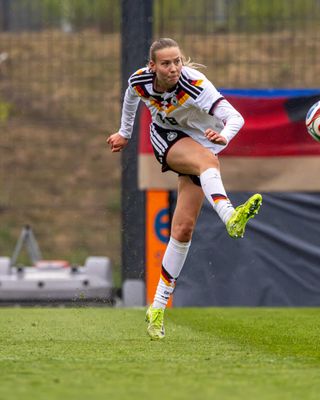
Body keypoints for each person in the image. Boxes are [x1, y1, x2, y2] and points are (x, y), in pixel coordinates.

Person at [107, 38, 262, 340]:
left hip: (202, 142)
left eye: (177, 61)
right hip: (167, 136)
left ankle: (157, 308)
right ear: (152, 66)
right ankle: (230, 217)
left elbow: (235, 118)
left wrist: (224, 136)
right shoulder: (141, 80)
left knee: (183, 229)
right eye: (166, 63)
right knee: (207, 162)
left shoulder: (196, 84)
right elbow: (131, 95)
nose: (174, 68)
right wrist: (125, 132)